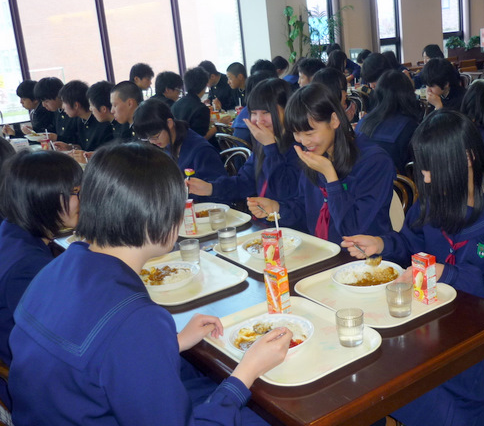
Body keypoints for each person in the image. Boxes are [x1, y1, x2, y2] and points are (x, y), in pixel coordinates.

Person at [8, 141, 292, 424]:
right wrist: (247, 371)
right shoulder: (137, 319)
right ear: (157, 216)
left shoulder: (59, 266)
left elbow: (97, 356)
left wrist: (170, 343)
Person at [342, 110, 484, 426]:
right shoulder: (437, 194)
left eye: (435, 169)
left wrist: (447, 274)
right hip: (434, 325)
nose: (428, 179)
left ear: (469, 158)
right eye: (423, 169)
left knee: (396, 390)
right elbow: (410, 242)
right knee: (366, 377)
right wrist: (381, 244)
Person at [247, 83, 396, 245]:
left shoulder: (374, 162)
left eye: (310, 133)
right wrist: (277, 208)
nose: (304, 141)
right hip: (322, 250)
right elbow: (305, 208)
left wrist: (331, 179)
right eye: (297, 133)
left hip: (363, 259)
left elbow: (353, 230)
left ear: (334, 120)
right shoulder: (316, 152)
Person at [0, 150, 82, 409]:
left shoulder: (11, 233)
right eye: (77, 192)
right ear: (45, 198)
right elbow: (66, 344)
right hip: (42, 391)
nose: (84, 199)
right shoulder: (28, 267)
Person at [187, 77, 300, 208]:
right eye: (254, 113)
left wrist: (270, 147)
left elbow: (285, 192)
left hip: (290, 225)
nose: (259, 120)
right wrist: (210, 188)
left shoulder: (300, 146)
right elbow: (245, 182)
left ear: (287, 109)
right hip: (265, 221)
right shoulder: (264, 143)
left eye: (266, 112)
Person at [134, 99, 226, 188]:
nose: (151, 141)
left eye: (155, 136)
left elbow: (219, 188)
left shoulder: (201, 151)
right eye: (147, 138)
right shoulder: (167, 143)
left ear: (169, 123)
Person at [356, 70, 421, 174]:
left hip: (363, 184)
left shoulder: (363, 121)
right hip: (397, 187)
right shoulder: (409, 126)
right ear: (408, 94)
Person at [55, 80, 114, 154]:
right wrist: (70, 147)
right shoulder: (80, 120)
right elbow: (83, 147)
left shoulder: (102, 121)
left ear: (76, 105)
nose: (62, 107)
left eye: (64, 102)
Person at [171, 67, 217, 141]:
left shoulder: (176, 104)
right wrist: (217, 127)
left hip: (178, 147)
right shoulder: (201, 109)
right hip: (194, 148)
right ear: (205, 85)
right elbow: (201, 138)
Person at [34, 77, 79, 144]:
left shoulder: (74, 112)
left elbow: (79, 141)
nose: (43, 105)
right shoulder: (56, 112)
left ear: (59, 96)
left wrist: (57, 138)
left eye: (46, 101)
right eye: (41, 101)